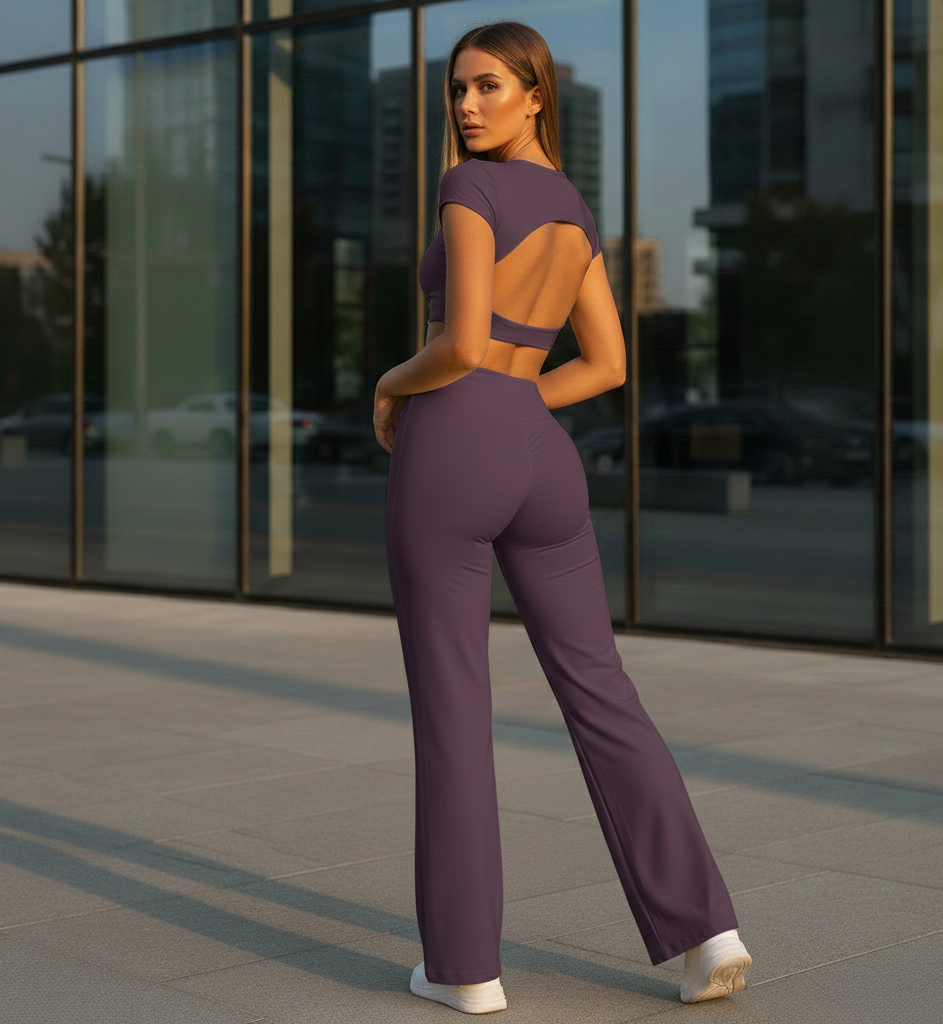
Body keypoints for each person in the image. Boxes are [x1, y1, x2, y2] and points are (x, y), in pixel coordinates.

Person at [373, 20, 753, 1014]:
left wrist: (388, 381)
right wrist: (516, 404)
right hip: (542, 456)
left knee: (454, 710)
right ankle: (706, 929)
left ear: (535, 93)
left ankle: (464, 968)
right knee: (600, 687)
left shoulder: (468, 189)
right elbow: (608, 364)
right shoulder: (575, 210)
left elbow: (456, 343)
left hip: (453, 443)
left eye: (488, 86)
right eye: (457, 89)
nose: (465, 106)